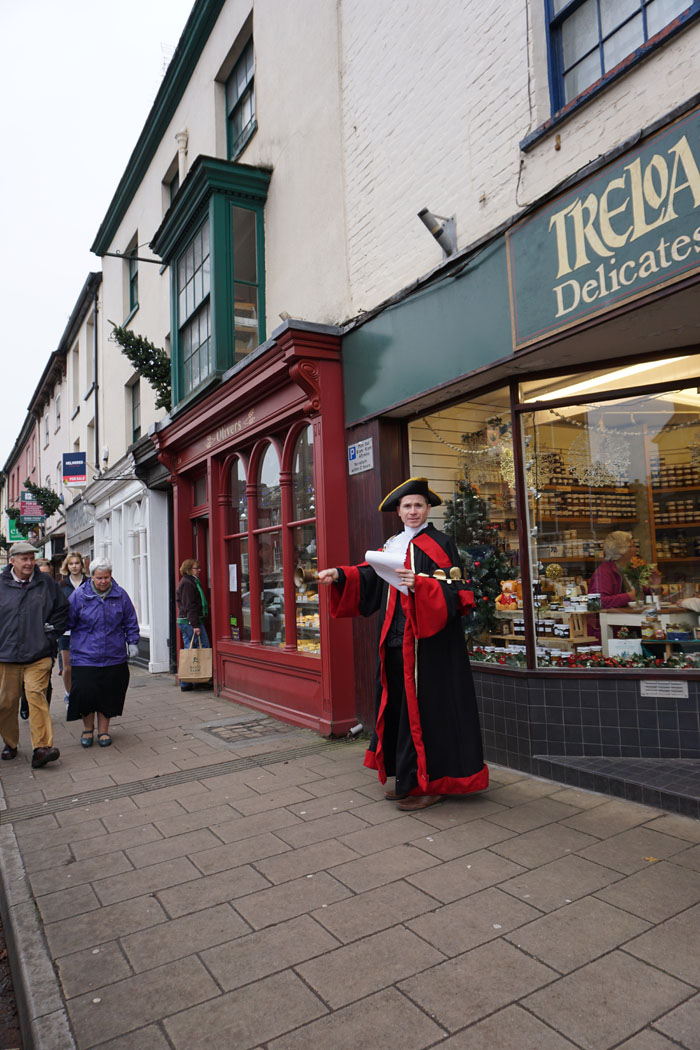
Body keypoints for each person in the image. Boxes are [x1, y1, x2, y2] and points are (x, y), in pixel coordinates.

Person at [318, 477, 489, 811]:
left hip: (429, 646)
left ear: (427, 509)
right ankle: (407, 779)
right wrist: (339, 574)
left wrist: (421, 585)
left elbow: (459, 593)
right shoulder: (391, 544)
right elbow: (368, 574)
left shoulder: (441, 544)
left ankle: (431, 783)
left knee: (425, 714)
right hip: (395, 641)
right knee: (399, 709)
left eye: (418, 506)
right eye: (407, 506)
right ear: (398, 511)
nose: (413, 511)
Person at [0, 541, 69, 768]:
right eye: (24, 559)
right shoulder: (1, 584)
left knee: (35, 696)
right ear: (13, 561)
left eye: (31, 558)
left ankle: (41, 748)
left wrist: (51, 634)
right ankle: (11, 743)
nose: (29, 563)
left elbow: (63, 610)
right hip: (6, 655)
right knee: (7, 703)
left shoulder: (46, 583)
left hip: (38, 654)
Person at [66, 557, 139, 748]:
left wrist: (133, 642)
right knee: (86, 693)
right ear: (91, 577)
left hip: (113, 655)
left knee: (108, 694)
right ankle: (88, 729)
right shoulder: (79, 596)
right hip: (85, 655)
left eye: (106, 577)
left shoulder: (120, 595)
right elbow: (68, 620)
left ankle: (104, 731)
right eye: (99, 578)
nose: (103, 581)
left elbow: (130, 620)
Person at [57, 551, 88, 706]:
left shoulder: (89, 583)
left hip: (86, 630)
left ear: (81, 565)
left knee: (83, 666)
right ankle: (69, 694)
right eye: (71, 563)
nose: (74, 566)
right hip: (66, 631)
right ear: (67, 566)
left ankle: (82, 694)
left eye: (77, 563)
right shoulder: (61, 585)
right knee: (67, 668)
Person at [176, 558, 210, 692]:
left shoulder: (190, 582)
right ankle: (198, 679)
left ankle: (187, 682)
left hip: (187, 622)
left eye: (199, 568)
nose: (199, 570)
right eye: (196, 568)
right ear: (189, 569)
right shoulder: (188, 584)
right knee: (202, 648)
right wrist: (195, 625)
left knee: (190, 651)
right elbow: (190, 606)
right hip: (190, 622)